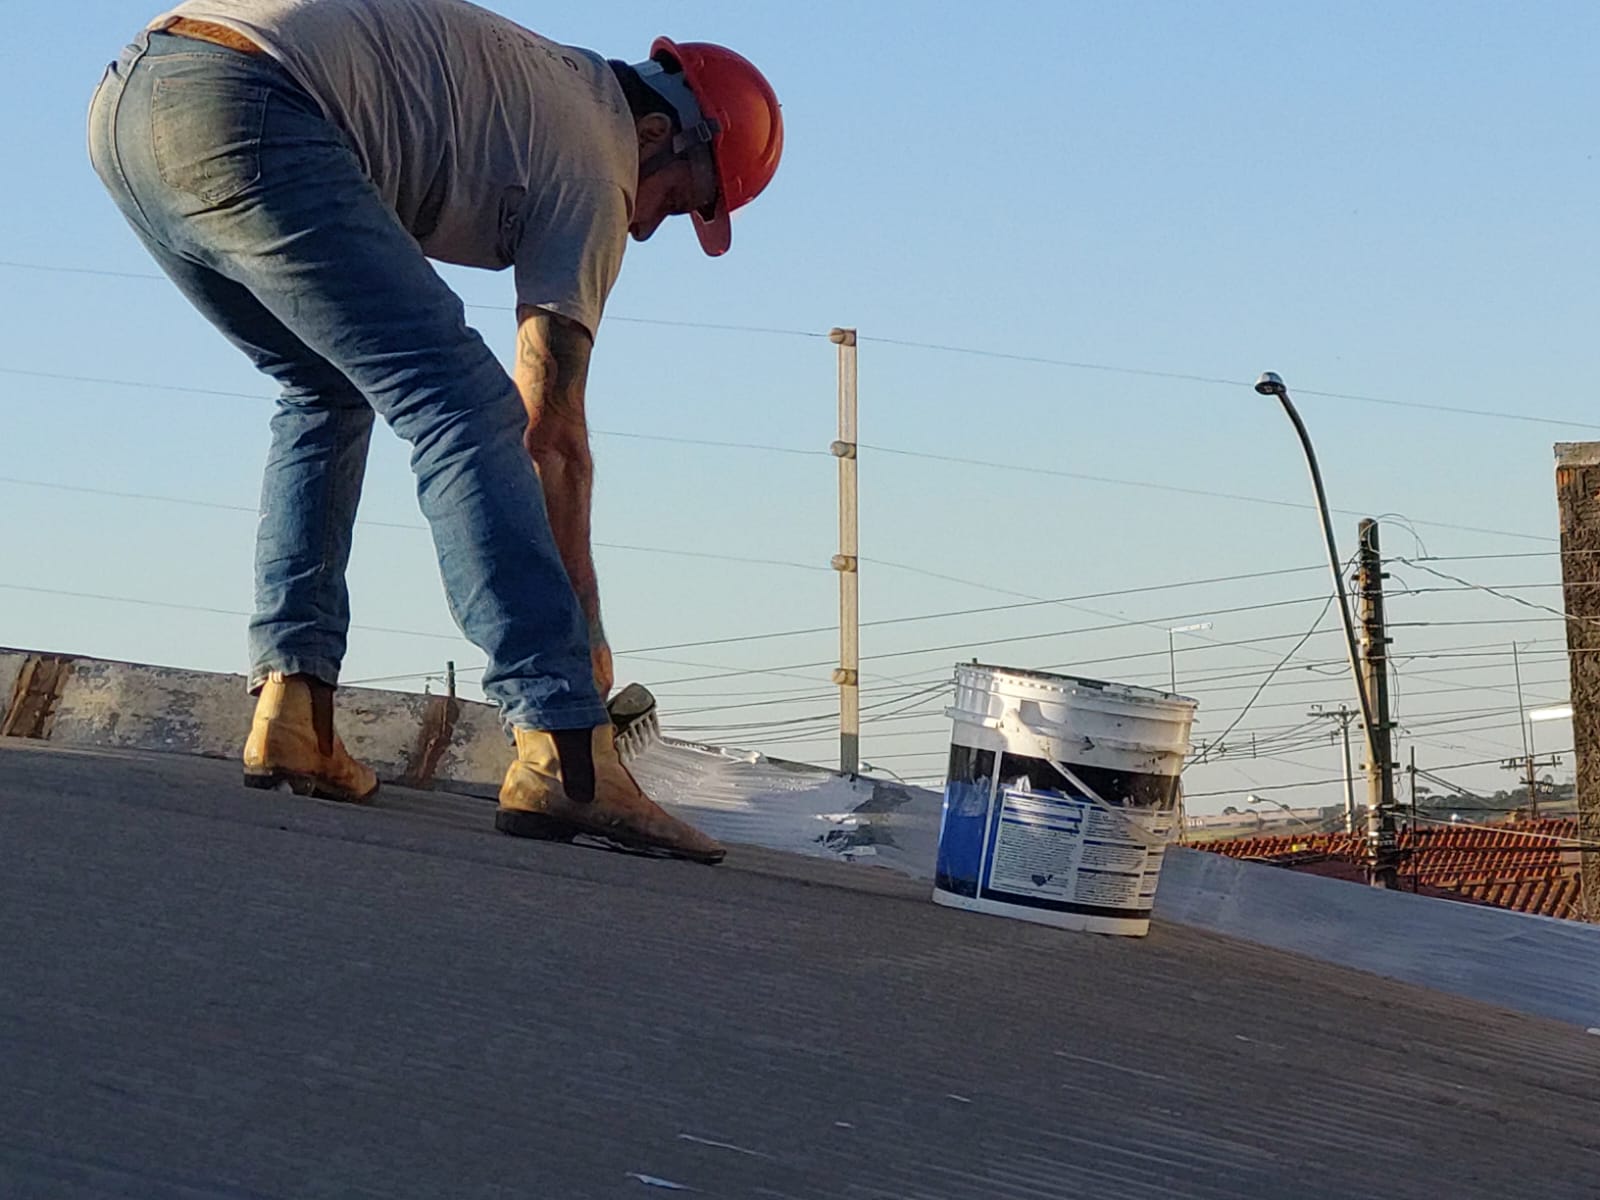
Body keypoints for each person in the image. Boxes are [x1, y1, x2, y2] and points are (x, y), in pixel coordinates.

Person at [86, 0, 783, 864]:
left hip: (132, 104)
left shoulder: (539, 94)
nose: (646, 228)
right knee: (466, 405)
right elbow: (551, 434)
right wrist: (584, 643)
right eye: (678, 202)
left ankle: (295, 713)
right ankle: (565, 754)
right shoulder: (601, 160)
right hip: (254, 97)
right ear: (655, 133)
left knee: (324, 385)